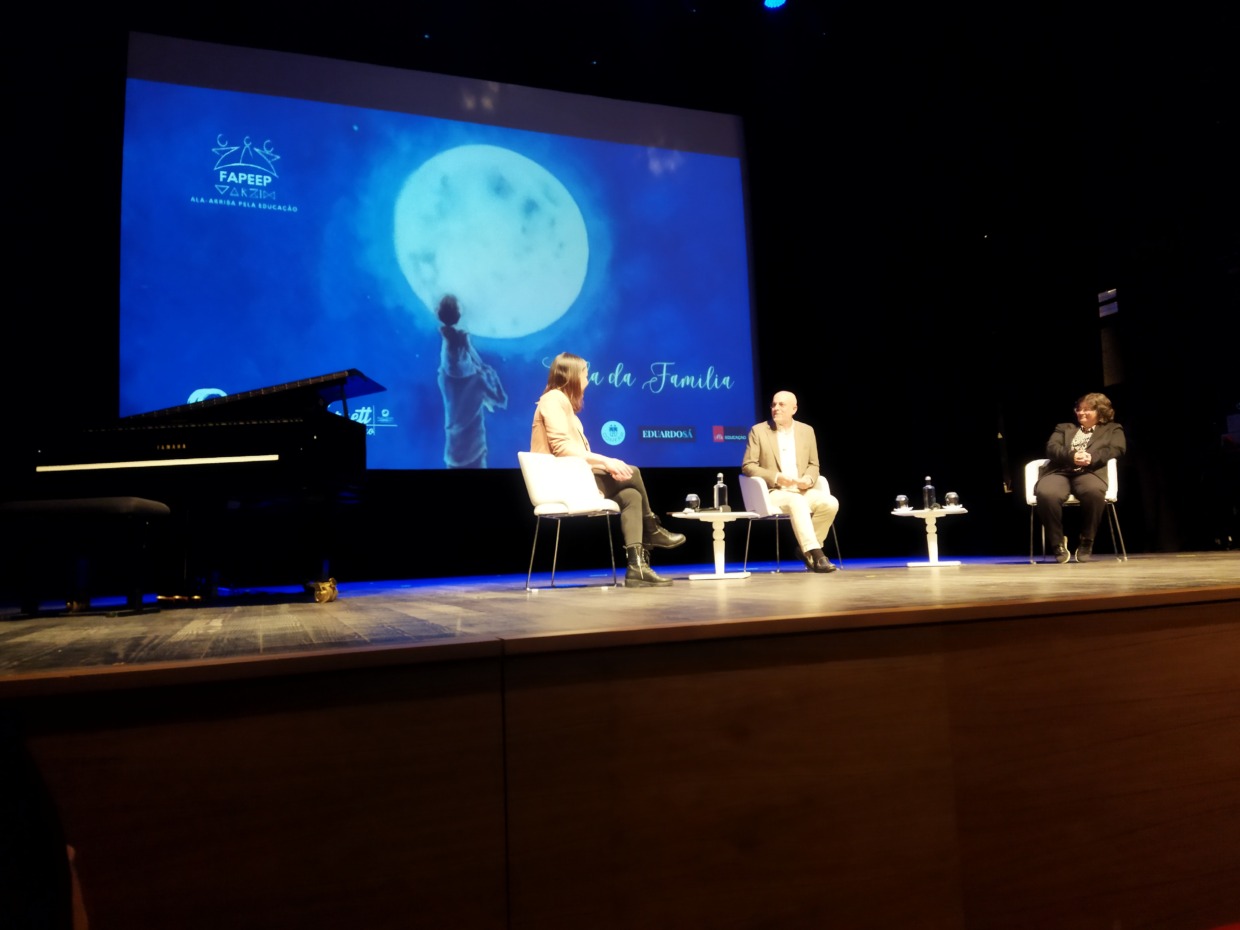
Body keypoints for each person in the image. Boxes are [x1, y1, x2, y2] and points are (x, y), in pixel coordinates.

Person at [530, 352, 685, 587]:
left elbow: (575, 456)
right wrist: (606, 462)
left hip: (573, 479)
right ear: (572, 376)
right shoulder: (553, 399)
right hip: (559, 484)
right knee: (633, 472)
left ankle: (637, 568)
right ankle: (652, 530)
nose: (588, 380)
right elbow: (562, 449)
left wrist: (604, 466)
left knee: (631, 496)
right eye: (585, 374)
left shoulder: (566, 407)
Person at [741, 391, 840, 573]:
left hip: (802, 490)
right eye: (773, 404)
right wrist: (777, 477)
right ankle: (817, 555)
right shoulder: (759, 431)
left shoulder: (807, 431)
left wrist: (808, 479)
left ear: (794, 409)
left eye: (781, 405)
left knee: (830, 502)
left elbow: (813, 464)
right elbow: (748, 466)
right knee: (797, 501)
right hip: (773, 492)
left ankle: (805, 550)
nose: (776, 408)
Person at [1034, 391, 1126, 563]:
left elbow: (1117, 449)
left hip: (1090, 471)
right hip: (1060, 470)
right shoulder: (1064, 428)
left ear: (1100, 411)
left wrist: (1091, 458)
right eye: (1079, 409)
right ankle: (1057, 543)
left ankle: (1087, 541)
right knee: (1046, 493)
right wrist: (1072, 456)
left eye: (1087, 409)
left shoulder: (1113, 429)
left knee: (1093, 491)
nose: (1081, 413)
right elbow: (1052, 449)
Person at [436, 294, 507, 468]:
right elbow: (502, 401)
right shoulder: (477, 381)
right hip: (474, 452)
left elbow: (464, 354)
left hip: (453, 454)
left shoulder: (444, 379)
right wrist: (493, 377)